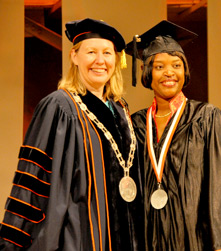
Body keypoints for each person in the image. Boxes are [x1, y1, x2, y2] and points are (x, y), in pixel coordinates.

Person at [0, 18, 143, 250]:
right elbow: (33, 177)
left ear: (116, 60)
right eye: (91, 52)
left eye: (107, 53)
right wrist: (12, 243)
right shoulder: (59, 107)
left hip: (125, 237)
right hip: (79, 237)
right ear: (74, 57)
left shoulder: (120, 109)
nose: (100, 61)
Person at [126, 20, 221, 251]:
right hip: (149, 238)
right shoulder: (136, 124)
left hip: (196, 239)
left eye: (176, 65)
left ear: (185, 71)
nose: (169, 73)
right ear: (147, 73)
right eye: (159, 66)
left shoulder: (206, 118)